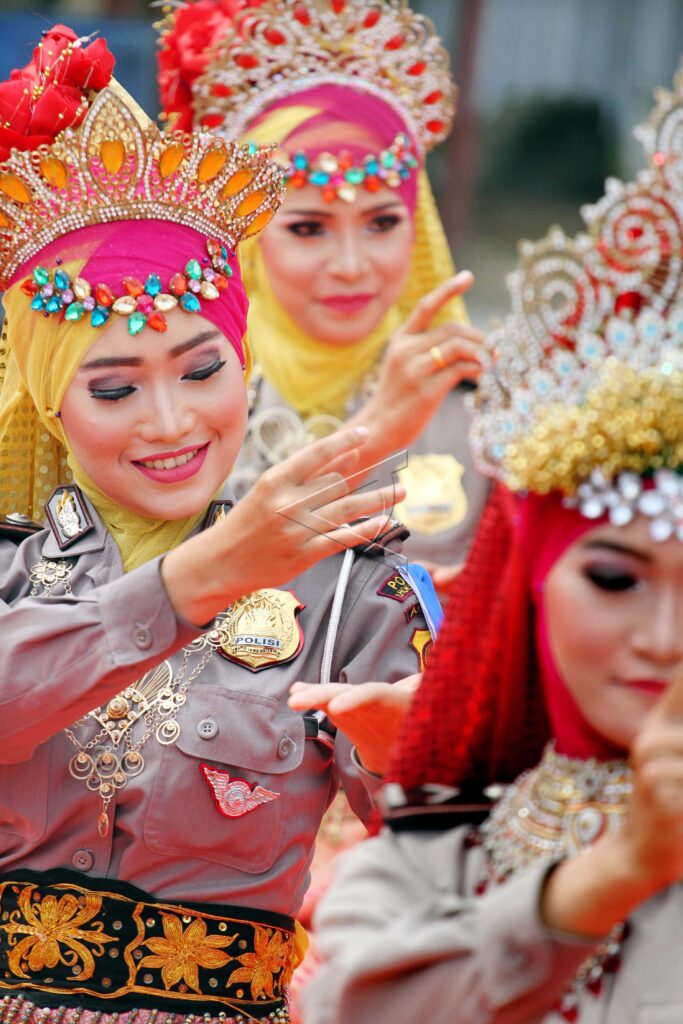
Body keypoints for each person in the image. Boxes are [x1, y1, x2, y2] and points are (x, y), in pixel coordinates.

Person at [0, 25, 441, 1024]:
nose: (170, 423)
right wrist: (197, 578)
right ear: (51, 400)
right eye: (114, 387)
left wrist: (422, 746)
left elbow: (461, 833)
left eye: (202, 371)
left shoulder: (343, 585)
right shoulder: (12, 570)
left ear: (243, 366)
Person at [301, 57, 683, 1024]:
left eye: (381, 221)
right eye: (612, 577)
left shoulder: (466, 412)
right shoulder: (453, 844)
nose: (665, 634)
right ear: (529, 581)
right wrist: (608, 876)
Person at [157, 0, 489, 585]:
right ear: (247, 241)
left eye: (383, 223)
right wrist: (383, 426)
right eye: (308, 228)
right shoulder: (182, 390)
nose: (352, 266)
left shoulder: (474, 399)